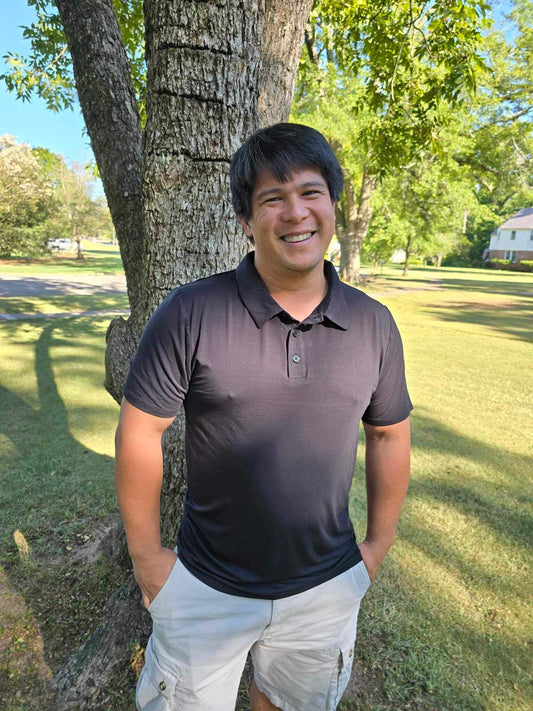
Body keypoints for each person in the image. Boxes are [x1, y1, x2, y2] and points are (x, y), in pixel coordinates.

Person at [115, 123, 412, 711]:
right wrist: (148, 560)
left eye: (310, 192)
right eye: (272, 199)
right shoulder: (191, 311)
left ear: (333, 203)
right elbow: (140, 431)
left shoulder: (375, 324)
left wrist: (375, 549)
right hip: (205, 586)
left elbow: (388, 435)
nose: (295, 213)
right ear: (247, 221)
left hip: (326, 590)